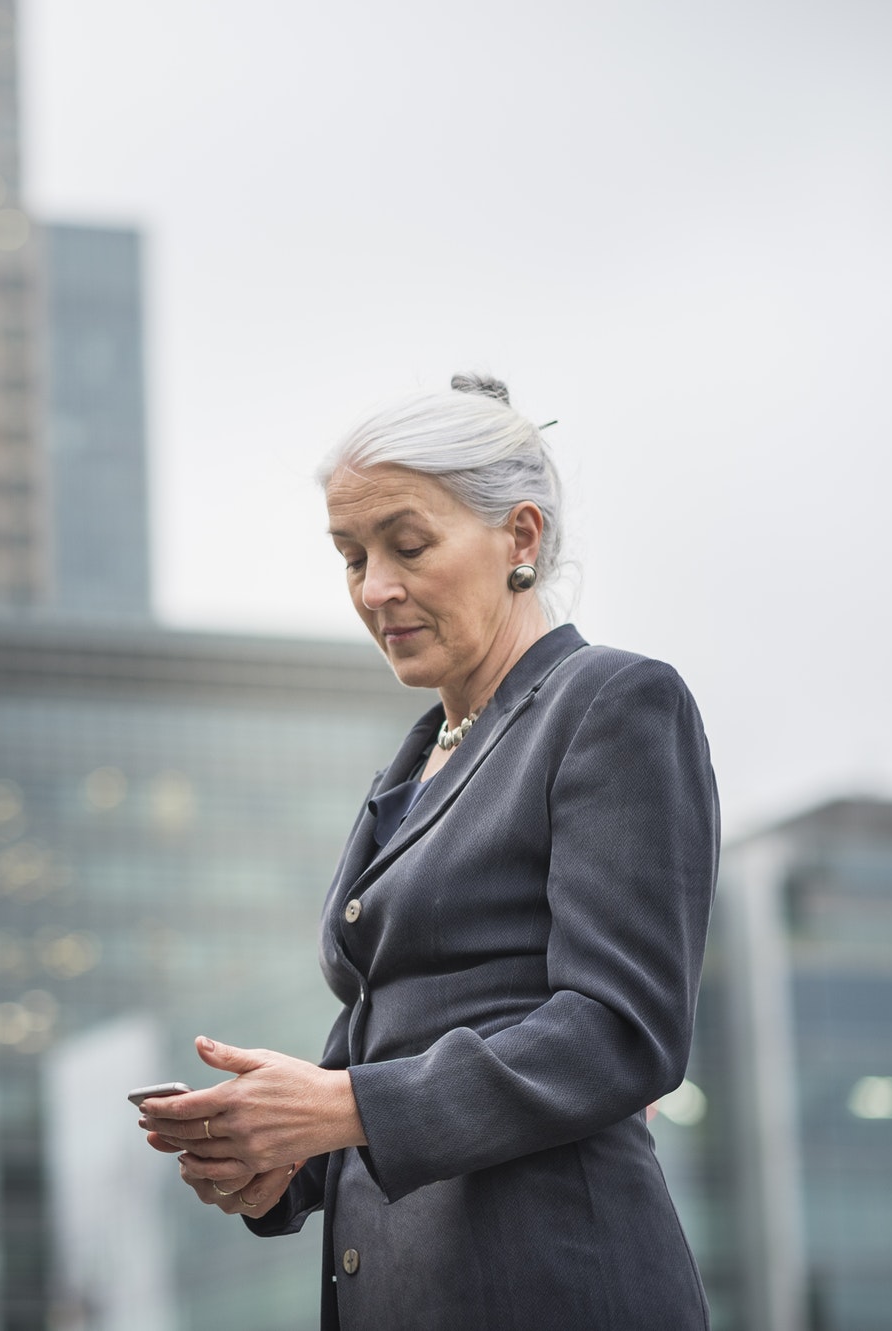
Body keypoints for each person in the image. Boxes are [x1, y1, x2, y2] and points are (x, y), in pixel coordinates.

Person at [135, 374, 717, 1329]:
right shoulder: (416, 763)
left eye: (408, 546)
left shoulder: (610, 703)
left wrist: (341, 1106)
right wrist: (276, 1157)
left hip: (558, 1287)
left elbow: (622, 1028)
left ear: (520, 538)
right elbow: (387, 1046)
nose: (376, 588)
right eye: (352, 555)